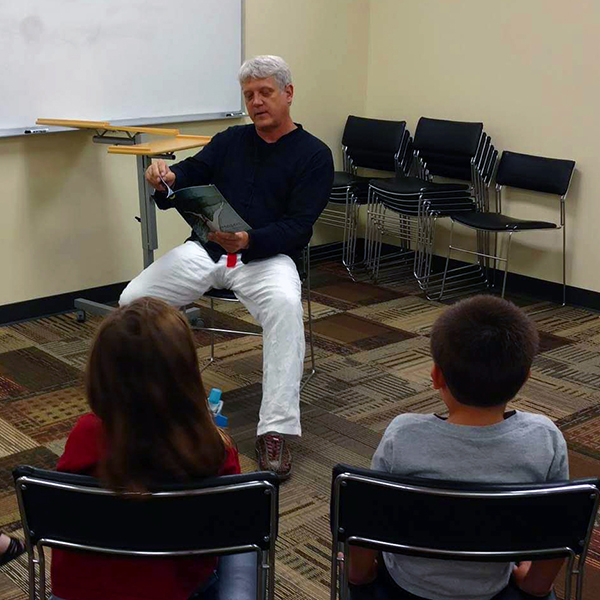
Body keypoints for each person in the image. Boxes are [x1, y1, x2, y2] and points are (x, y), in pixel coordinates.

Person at [120, 55, 334, 480]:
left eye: (265, 93)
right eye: (249, 95)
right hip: (207, 250)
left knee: (287, 308)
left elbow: (299, 226)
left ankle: (275, 430)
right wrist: (164, 177)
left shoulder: (314, 155)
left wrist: (251, 240)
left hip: (267, 256)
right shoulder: (230, 140)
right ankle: (152, 410)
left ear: (288, 94)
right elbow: (189, 175)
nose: (256, 102)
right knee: (133, 301)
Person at [348, 295, 568, 600]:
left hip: (404, 588)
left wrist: (362, 576)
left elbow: (366, 520)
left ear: (436, 376)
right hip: (494, 588)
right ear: (525, 378)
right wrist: (532, 584)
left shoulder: (403, 434)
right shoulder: (546, 438)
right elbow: (561, 527)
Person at [51, 297, 255, 600]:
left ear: (99, 375)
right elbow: (232, 530)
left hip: (79, 594)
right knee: (248, 526)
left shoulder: (84, 435)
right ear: (185, 375)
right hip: (175, 591)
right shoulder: (212, 449)